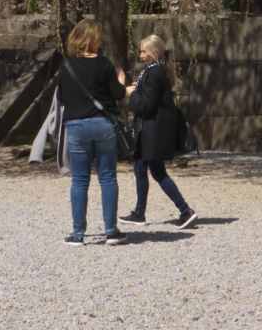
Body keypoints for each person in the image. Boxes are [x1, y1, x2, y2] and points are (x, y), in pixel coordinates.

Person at [58, 18, 127, 245]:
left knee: (79, 180)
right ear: (94, 40)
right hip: (102, 123)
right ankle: (110, 230)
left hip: (76, 125)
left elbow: (61, 98)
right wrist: (120, 80)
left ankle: (78, 233)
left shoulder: (66, 66)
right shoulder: (104, 64)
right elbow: (117, 94)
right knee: (107, 177)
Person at [120, 34, 197, 229]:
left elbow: (146, 106)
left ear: (154, 52)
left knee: (155, 172)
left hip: (151, 131)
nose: (140, 54)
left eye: (144, 51)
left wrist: (131, 94)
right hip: (149, 130)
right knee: (144, 169)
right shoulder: (152, 71)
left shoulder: (154, 73)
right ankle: (141, 212)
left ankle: (184, 210)